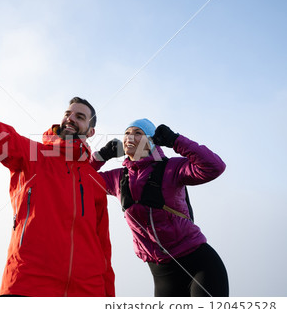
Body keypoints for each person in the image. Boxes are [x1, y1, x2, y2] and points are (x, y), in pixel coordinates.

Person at [0, 43, 115, 297]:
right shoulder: (32, 155)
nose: (70, 118)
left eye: (79, 116)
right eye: (68, 113)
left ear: (90, 132)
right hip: (28, 284)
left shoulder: (93, 180)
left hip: (87, 292)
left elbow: (103, 250)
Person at [91, 118, 229, 297]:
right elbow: (77, 179)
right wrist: (101, 156)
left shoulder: (172, 168)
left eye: (137, 133)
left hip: (199, 264)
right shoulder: (117, 178)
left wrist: (175, 140)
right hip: (162, 273)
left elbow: (214, 166)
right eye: (126, 133)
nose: (129, 137)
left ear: (150, 142)